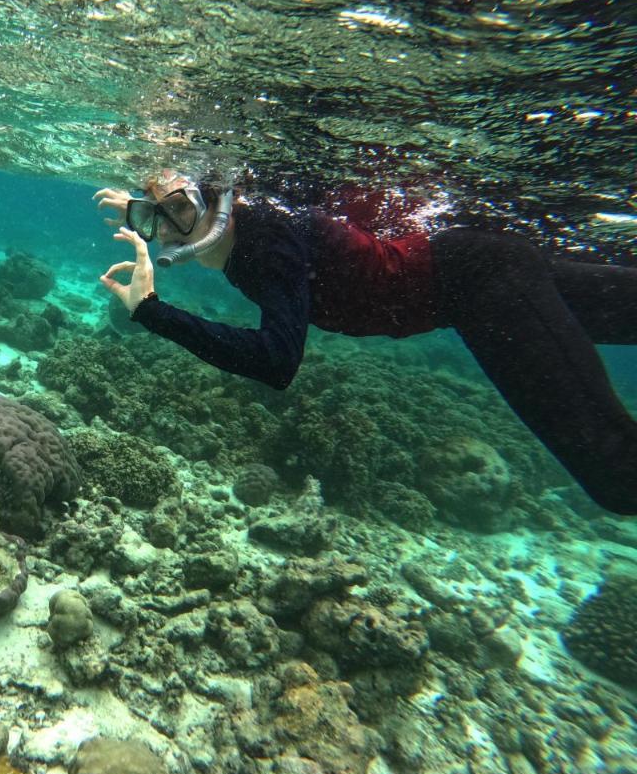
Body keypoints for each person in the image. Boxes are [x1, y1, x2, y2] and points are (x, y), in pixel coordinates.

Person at [94, 169, 637, 516]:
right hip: (484, 273)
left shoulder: (263, 242)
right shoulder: (247, 236)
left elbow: (276, 361)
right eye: (151, 220)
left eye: (181, 211)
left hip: (483, 283)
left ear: (217, 199)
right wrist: (147, 207)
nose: (165, 232)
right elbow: (173, 212)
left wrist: (152, 312)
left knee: (617, 474)